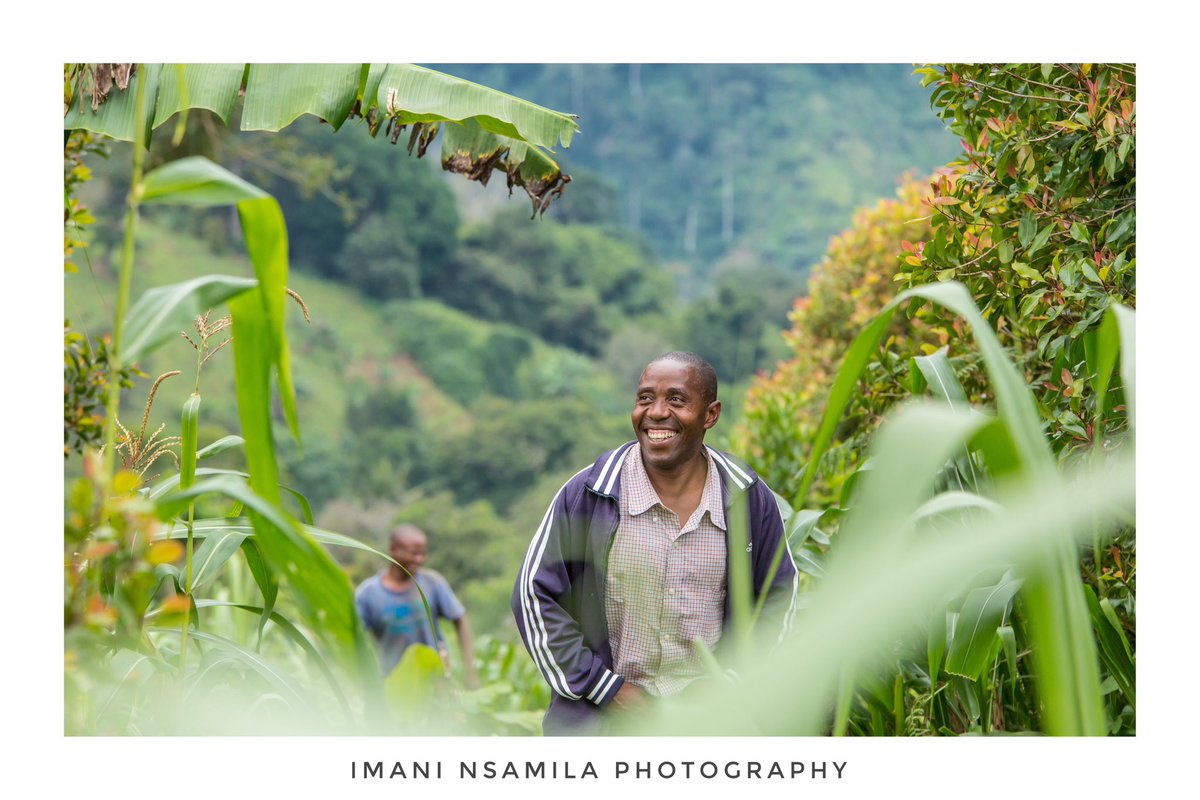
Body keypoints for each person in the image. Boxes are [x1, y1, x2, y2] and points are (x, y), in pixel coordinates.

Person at [511, 351, 798, 734]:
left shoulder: (746, 498)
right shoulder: (590, 492)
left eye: (676, 400)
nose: (656, 412)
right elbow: (533, 594)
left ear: (710, 414)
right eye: (645, 398)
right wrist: (605, 689)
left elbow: (779, 597)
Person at [356, 524, 480, 687]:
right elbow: (355, 638)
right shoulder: (368, 594)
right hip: (392, 685)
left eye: (423, 553)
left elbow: (459, 619)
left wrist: (471, 671)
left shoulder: (433, 583)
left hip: (437, 683)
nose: (419, 559)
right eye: (414, 553)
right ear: (394, 549)